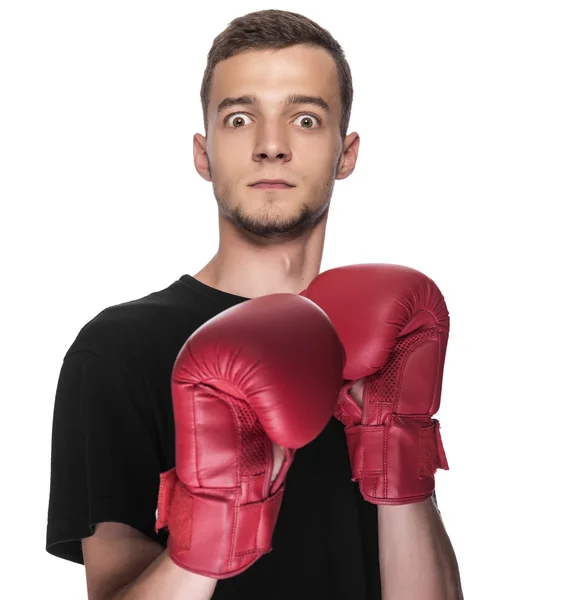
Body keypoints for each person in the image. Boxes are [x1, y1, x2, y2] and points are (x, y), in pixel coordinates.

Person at [45, 9, 463, 599]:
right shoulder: (117, 350)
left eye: (306, 119)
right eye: (240, 119)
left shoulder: (382, 338)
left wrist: (398, 447)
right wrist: (213, 524)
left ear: (347, 155)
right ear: (203, 153)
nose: (272, 146)